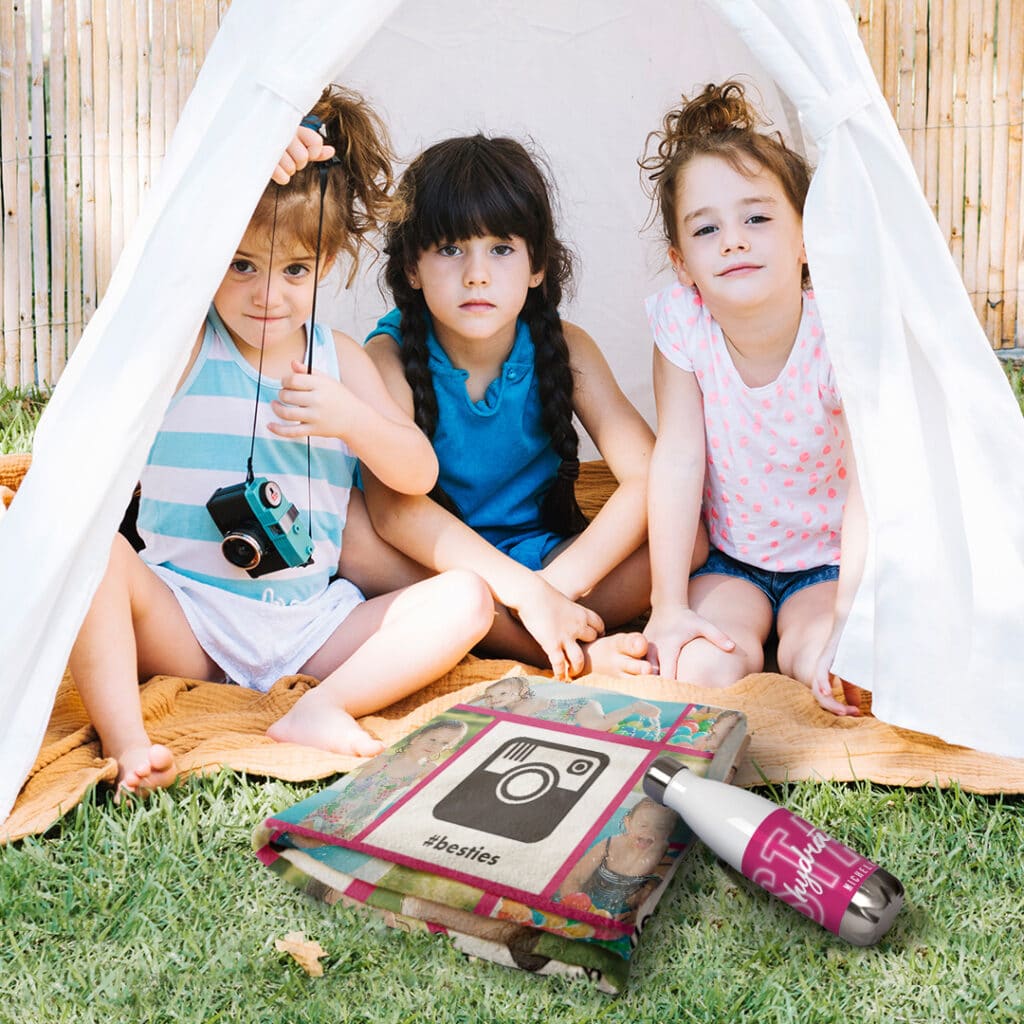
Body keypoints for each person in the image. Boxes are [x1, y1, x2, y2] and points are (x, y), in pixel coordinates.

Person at [69, 86, 494, 795]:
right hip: (191, 621)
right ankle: (128, 745)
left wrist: (351, 419)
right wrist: (238, 165)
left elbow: (416, 470)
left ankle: (321, 708)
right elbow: (159, 260)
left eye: (294, 270)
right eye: (242, 266)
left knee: (467, 599)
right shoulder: (185, 348)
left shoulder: (340, 359)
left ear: (325, 267)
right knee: (100, 557)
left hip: (313, 623)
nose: (269, 294)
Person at [358, 134, 709, 680]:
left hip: (549, 561)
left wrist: (550, 592)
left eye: (501, 248)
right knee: (352, 535)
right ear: (411, 268)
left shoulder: (567, 347)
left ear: (538, 265)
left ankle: (533, 630)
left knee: (689, 537)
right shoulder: (385, 357)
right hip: (439, 570)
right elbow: (394, 512)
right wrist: (526, 598)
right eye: (451, 249)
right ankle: (559, 650)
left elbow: (649, 477)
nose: (476, 274)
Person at [639, 81, 865, 716]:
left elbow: (869, 488)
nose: (733, 240)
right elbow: (679, 457)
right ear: (682, 263)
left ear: (806, 238)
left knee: (825, 661)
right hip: (734, 560)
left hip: (828, 563)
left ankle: (812, 639)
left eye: (758, 218)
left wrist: (851, 612)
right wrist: (668, 605)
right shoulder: (683, 324)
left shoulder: (834, 338)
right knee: (698, 666)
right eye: (707, 229)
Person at [298, 719, 468, 837]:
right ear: (416, 738)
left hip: (354, 824)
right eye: (433, 739)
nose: (435, 745)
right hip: (330, 812)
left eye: (444, 744)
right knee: (297, 837)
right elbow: (348, 786)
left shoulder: (427, 769)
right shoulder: (382, 760)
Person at [556, 797, 677, 920]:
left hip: (620, 912)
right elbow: (574, 877)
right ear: (628, 823)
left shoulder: (664, 859)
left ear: (669, 832)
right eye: (643, 825)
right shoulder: (608, 846)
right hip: (589, 901)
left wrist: (635, 915)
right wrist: (582, 909)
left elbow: (653, 896)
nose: (649, 832)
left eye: (660, 828)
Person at [472, 677, 663, 739]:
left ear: (520, 693)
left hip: (576, 708)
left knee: (596, 725)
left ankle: (634, 707)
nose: (495, 699)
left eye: (502, 694)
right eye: (491, 696)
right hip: (567, 716)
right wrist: (483, 699)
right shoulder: (507, 706)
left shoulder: (525, 704)